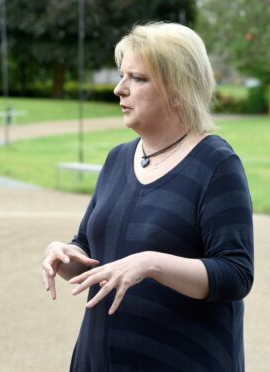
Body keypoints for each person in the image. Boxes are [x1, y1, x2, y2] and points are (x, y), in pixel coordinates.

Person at [42, 22, 253, 371]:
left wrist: (151, 264)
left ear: (177, 89)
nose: (118, 89)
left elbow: (236, 273)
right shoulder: (117, 158)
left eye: (137, 79)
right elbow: (90, 250)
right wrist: (65, 254)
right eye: (122, 76)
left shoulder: (217, 163)